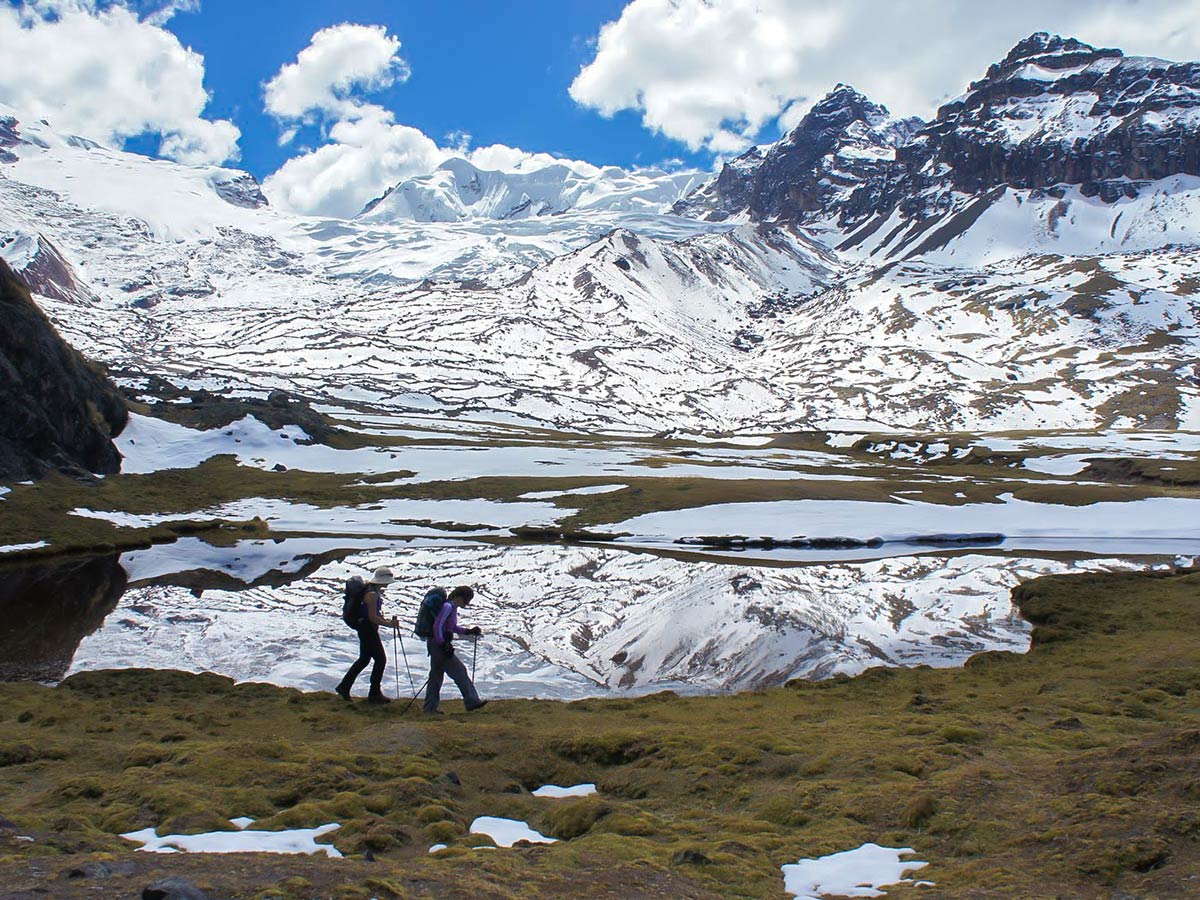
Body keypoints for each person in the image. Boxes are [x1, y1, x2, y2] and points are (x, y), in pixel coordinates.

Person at [336, 567, 399, 704]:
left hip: (364, 627)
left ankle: (345, 687)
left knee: (364, 659)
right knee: (380, 659)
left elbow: (372, 615)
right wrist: (389, 624)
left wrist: (385, 621)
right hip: (367, 629)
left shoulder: (370, 590)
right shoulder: (372, 594)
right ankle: (374, 693)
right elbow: (372, 617)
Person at [424, 585, 487, 714]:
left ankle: (429, 708)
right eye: (467, 600)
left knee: (436, 676)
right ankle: (472, 701)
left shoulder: (450, 607)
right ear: (459, 597)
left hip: (435, 645)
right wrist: (443, 644)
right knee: (460, 671)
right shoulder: (448, 607)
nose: (467, 603)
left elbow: (451, 627)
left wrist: (468, 631)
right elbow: (438, 626)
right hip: (439, 645)